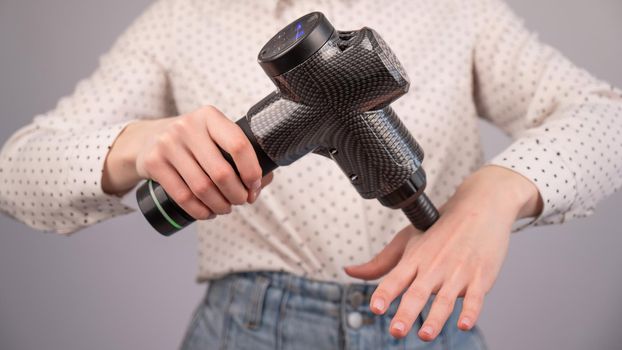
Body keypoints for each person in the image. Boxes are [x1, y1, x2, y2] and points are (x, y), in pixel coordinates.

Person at [1, 0, 620, 348]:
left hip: (426, 323)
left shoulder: (455, 10)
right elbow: (13, 173)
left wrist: (495, 193)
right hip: (246, 331)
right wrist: (134, 146)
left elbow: (607, 116)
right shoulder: (180, 20)